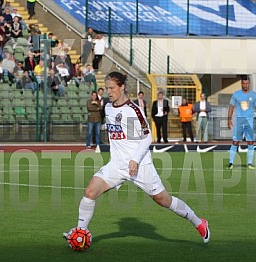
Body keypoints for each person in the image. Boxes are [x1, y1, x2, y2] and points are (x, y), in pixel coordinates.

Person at [63, 71, 210, 244]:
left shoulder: (132, 110)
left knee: (163, 200)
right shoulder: (109, 107)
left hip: (139, 166)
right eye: (107, 88)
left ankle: (199, 222)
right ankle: (80, 233)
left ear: (122, 87)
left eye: (112, 88)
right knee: (89, 192)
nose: (109, 92)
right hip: (116, 165)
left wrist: (135, 159)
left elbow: (146, 137)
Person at [227, 76, 256, 170]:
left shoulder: (254, 95)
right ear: (241, 84)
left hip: (249, 121)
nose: (245, 85)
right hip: (239, 121)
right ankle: (230, 163)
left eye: (247, 83)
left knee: (250, 142)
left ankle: (249, 163)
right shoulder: (236, 94)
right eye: (243, 83)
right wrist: (229, 120)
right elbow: (231, 107)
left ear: (249, 84)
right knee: (235, 141)